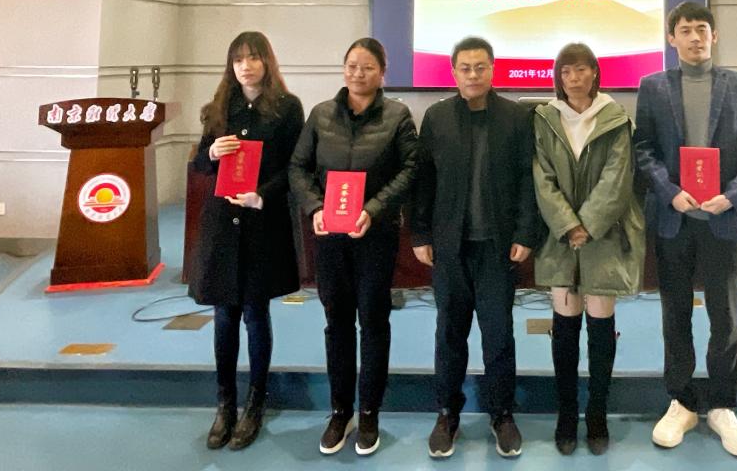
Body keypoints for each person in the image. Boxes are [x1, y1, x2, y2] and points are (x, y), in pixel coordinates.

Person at [634, 2, 737, 458]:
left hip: (724, 219)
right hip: (674, 219)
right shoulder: (653, 87)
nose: (695, 37)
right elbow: (644, 150)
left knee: (724, 316)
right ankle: (682, 401)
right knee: (675, 314)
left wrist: (732, 196)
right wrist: (669, 191)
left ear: (714, 36)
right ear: (671, 37)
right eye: (685, 30)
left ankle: (722, 404)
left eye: (702, 29)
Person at [410, 36, 541, 459]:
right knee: (449, 333)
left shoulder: (516, 117)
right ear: (453, 72)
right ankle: (447, 413)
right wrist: (420, 234)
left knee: (498, 334)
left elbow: (528, 179)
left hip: (497, 248)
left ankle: (502, 414)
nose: (472, 74)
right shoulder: (437, 118)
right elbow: (423, 180)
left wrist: (525, 233)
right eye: (465, 68)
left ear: (492, 69)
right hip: (450, 247)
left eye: (480, 67)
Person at [288, 37, 418, 456]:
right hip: (330, 239)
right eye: (351, 65)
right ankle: (340, 411)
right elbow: (298, 166)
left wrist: (374, 209)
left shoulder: (397, 116)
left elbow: (410, 168)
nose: (358, 73)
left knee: (374, 323)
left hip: (374, 237)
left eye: (367, 67)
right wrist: (314, 207)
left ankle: (370, 413)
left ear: (383, 72)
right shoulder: (321, 114)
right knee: (337, 323)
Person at [189, 31, 305, 451]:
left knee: (256, 312)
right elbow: (200, 164)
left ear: (267, 62)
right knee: (224, 314)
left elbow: (296, 167)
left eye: (253, 58)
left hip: (262, 221)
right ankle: (225, 404)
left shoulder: (287, 108)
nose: (245, 66)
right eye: (238, 59)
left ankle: (256, 403)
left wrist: (263, 195)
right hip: (223, 224)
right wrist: (211, 154)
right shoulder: (219, 107)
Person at [532, 43, 645, 456]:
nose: (574, 78)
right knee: (564, 326)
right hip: (560, 237)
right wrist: (568, 225)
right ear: (558, 77)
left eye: (581, 69)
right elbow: (542, 176)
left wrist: (588, 225)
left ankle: (597, 414)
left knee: (600, 323)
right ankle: (566, 414)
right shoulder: (544, 119)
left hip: (605, 236)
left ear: (595, 73)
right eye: (566, 71)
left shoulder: (615, 118)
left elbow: (619, 177)